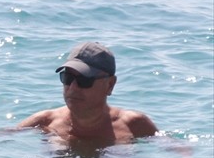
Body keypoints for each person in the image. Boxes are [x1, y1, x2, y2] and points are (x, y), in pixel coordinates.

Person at [17, 42, 158, 147]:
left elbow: (171, 149)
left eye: (84, 80)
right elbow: (0, 140)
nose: (73, 87)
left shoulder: (134, 125)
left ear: (110, 85)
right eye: (67, 78)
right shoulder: (44, 122)